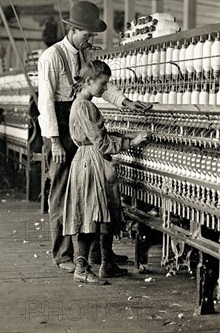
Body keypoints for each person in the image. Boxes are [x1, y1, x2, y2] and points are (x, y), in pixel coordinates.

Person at [38, 1, 152, 273]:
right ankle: (64, 255)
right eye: (87, 35)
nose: (90, 40)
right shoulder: (52, 57)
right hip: (60, 126)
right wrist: (54, 142)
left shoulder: (84, 55)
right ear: (74, 30)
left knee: (90, 191)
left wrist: (125, 102)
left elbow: (100, 83)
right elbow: (45, 102)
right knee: (63, 191)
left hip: (77, 123)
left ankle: (100, 255)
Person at [63, 60, 148, 284]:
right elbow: (103, 144)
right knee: (89, 215)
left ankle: (106, 264)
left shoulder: (81, 104)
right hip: (91, 163)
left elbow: (100, 137)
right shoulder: (84, 106)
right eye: (103, 83)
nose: (105, 88)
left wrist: (126, 137)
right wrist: (133, 142)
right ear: (89, 81)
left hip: (88, 160)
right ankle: (81, 268)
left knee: (100, 214)